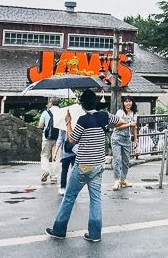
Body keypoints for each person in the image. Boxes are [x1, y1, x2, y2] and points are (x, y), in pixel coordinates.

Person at [46, 89, 122, 243]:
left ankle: (59, 230)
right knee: (95, 199)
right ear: (95, 102)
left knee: (69, 197)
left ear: (83, 105)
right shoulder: (104, 116)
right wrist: (107, 127)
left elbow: (72, 140)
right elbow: (120, 121)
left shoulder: (82, 120)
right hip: (98, 165)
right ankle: (95, 234)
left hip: (83, 165)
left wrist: (68, 122)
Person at [111, 95, 139, 190]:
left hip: (127, 139)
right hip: (117, 138)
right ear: (123, 103)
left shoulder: (134, 113)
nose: (128, 103)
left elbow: (134, 127)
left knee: (126, 160)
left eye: (130, 101)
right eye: (126, 101)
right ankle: (116, 180)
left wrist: (136, 139)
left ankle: (123, 179)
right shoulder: (120, 112)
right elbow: (116, 126)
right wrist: (129, 124)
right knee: (117, 159)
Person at [37, 97, 61, 183]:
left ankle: (46, 170)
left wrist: (40, 127)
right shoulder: (62, 112)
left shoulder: (45, 113)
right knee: (56, 158)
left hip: (47, 138)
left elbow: (40, 125)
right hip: (58, 138)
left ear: (51, 103)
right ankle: (54, 177)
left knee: (45, 155)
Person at [54, 128, 76, 195]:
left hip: (65, 153)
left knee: (64, 171)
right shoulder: (76, 125)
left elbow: (60, 139)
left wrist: (55, 152)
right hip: (75, 152)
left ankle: (62, 188)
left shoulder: (63, 127)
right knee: (74, 172)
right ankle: (72, 188)